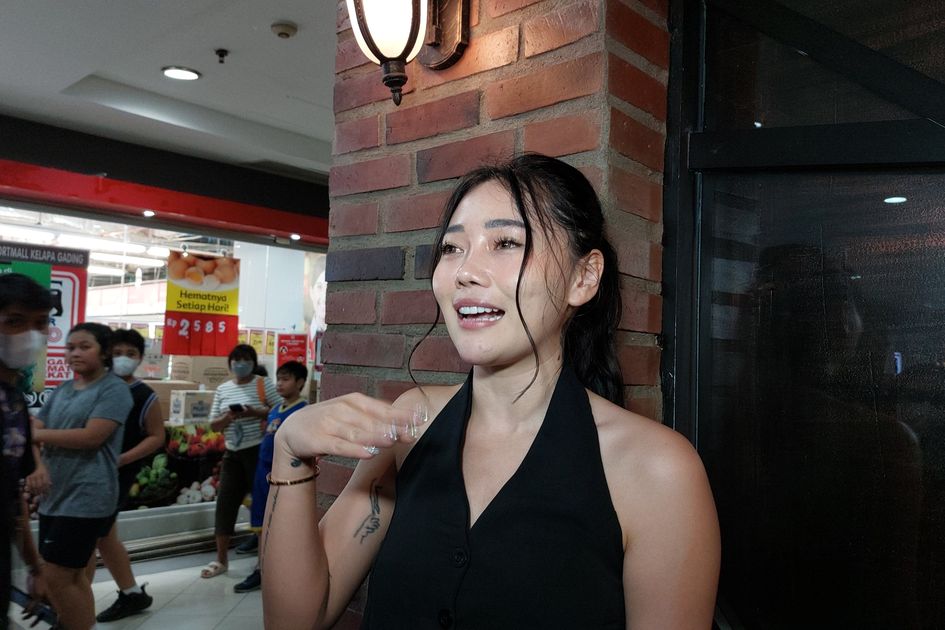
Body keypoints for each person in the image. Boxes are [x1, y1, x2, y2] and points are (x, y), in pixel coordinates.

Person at [261, 154, 721, 629]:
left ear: (583, 277)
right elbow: (296, 620)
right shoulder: (412, 424)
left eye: (506, 243)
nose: (465, 271)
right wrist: (290, 452)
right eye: (452, 248)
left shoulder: (656, 470)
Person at [33, 322, 133, 630]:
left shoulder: (114, 389)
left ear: (104, 352)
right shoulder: (64, 389)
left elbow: (91, 437)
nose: (75, 353)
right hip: (55, 495)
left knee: (58, 576)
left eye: (84, 347)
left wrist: (39, 435)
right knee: (73, 576)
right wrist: (38, 464)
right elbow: (35, 428)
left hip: (87, 495)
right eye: (70, 347)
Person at [92, 328, 163, 622]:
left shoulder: (144, 395)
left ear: (140, 358)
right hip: (89, 471)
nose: (123, 358)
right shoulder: (96, 386)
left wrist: (122, 459)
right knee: (103, 536)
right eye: (118, 352)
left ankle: (74, 605)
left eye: (130, 354)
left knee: (94, 534)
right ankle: (132, 593)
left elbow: (156, 436)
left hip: (116, 475)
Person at [0, 274, 53, 627]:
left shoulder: (16, 400)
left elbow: (13, 496)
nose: (30, 335)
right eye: (15, 321)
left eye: (40, 323)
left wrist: (35, 566)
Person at [202, 344, 280, 579]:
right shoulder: (223, 389)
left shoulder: (262, 384)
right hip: (232, 453)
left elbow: (280, 409)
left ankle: (263, 562)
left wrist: (254, 413)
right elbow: (213, 425)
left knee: (261, 504)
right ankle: (221, 559)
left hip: (258, 451)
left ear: (253, 363)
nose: (240, 364)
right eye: (236, 360)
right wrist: (229, 416)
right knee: (225, 503)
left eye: (246, 360)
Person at [233, 360, 308, 593]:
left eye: (286, 379)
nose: (280, 384)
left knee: (280, 524)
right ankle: (261, 567)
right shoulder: (275, 409)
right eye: (279, 379)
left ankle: (273, 569)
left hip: (283, 476)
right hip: (262, 472)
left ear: (300, 382)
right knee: (261, 521)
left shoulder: (303, 411)